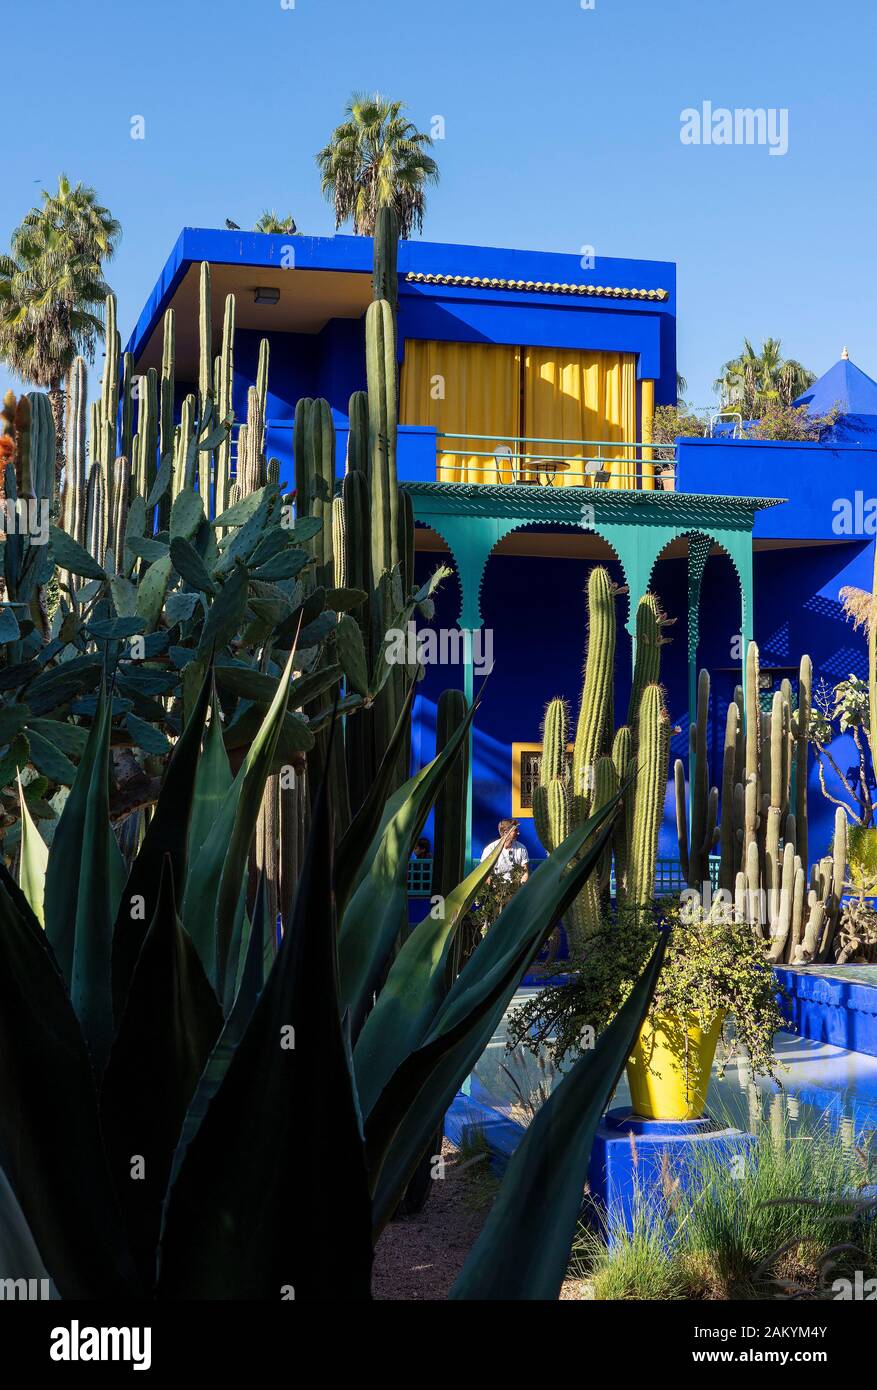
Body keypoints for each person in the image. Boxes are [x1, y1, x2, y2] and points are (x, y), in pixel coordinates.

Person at [480, 818, 529, 884]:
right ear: (506, 832)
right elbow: (484, 873)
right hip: (495, 888)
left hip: (517, 888)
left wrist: (522, 886)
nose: (518, 833)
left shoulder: (521, 848)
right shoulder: (490, 849)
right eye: (515, 830)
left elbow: (525, 872)